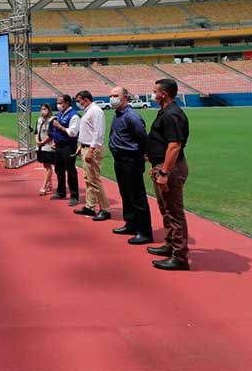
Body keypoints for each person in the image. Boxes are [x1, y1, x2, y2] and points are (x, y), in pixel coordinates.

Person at [146, 78, 191, 271]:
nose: (153, 94)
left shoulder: (172, 115)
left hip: (171, 169)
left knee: (174, 212)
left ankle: (179, 256)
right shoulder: (166, 112)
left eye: (155, 91)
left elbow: (174, 146)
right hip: (162, 166)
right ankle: (171, 244)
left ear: (163, 94)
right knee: (165, 209)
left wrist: (164, 171)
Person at [108, 87, 152, 244]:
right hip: (119, 160)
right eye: (110, 96)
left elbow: (142, 138)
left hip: (131, 160)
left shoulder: (132, 116)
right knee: (125, 194)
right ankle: (131, 224)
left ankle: (144, 231)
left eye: (115, 96)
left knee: (136, 196)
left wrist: (142, 155)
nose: (111, 98)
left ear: (124, 98)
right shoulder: (118, 115)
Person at [73, 90, 111, 221]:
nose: (78, 103)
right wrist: (80, 146)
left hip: (92, 148)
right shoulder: (88, 110)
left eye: (79, 101)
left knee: (94, 180)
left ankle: (105, 209)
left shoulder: (95, 111)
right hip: (85, 146)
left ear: (85, 99)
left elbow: (98, 132)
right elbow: (87, 131)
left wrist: (91, 149)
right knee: (88, 178)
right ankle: (90, 206)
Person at [49, 94, 80, 204]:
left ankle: (74, 196)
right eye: (58, 103)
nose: (58, 105)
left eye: (60, 103)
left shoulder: (74, 116)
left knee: (70, 171)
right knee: (59, 169)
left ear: (67, 103)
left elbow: (73, 132)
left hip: (68, 146)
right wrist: (54, 141)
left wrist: (59, 127)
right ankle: (61, 192)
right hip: (58, 146)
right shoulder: (60, 113)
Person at [35, 104, 56, 195]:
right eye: (41, 109)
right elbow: (36, 132)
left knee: (48, 166)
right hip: (40, 146)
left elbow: (51, 135)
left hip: (48, 146)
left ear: (49, 110)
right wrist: (37, 141)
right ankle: (49, 183)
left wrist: (43, 142)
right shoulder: (39, 120)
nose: (42, 111)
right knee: (45, 165)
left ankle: (43, 186)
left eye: (44, 109)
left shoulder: (52, 120)